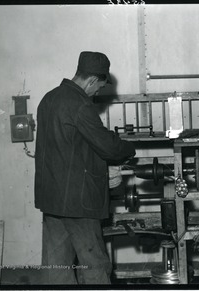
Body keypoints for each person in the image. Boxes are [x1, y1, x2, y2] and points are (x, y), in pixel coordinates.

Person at [34, 51, 135, 284]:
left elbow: (70, 147)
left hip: (52, 199)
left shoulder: (48, 99)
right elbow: (108, 147)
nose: (97, 93)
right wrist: (129, 148)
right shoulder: (80, 104)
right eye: (98, 87)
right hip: (79, 203)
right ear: (91, 81)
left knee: (55, 267)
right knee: (94, 266)